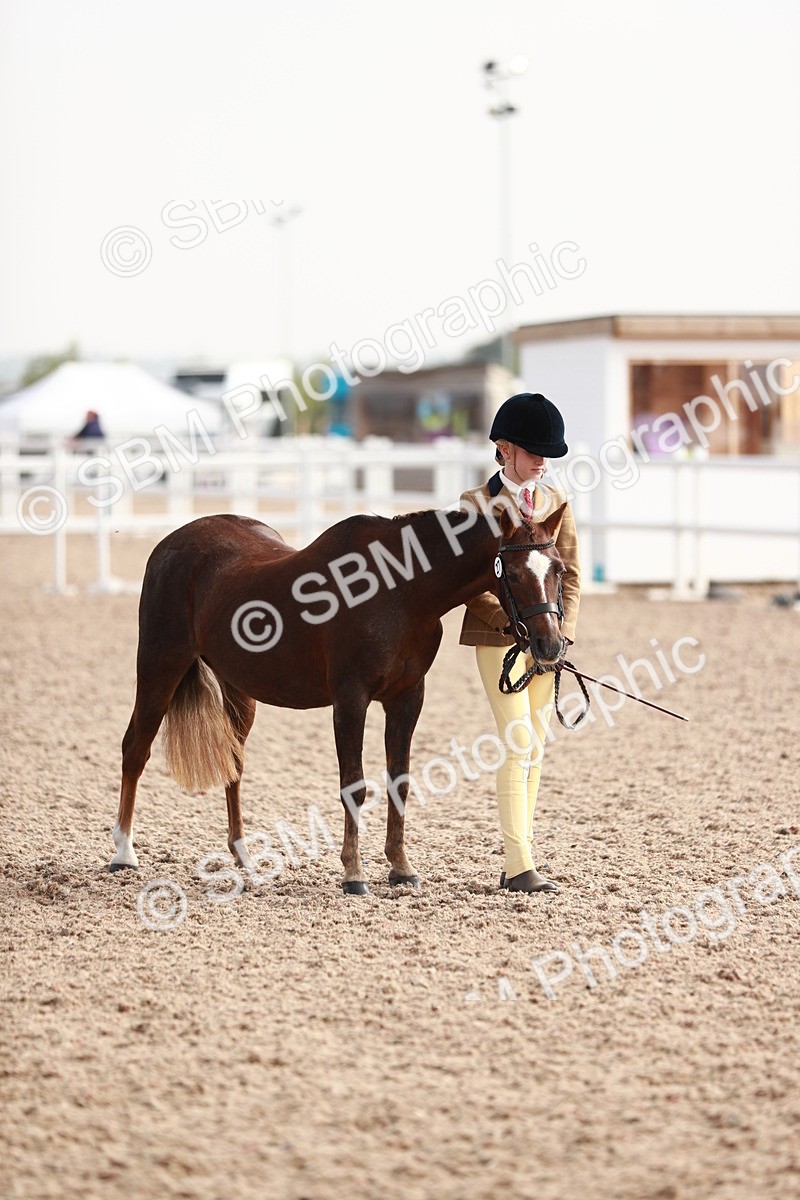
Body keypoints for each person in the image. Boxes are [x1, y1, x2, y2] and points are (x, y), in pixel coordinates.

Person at [459, 392, 580, 894]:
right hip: (498, 638)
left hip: (546, 639)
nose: (543, 462)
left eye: (546, 454)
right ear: (505, 449)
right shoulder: (476, 506)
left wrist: (562, 632)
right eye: (534, 453)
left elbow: (568, 575)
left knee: (539, 744)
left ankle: (520, 855)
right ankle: (519, 863)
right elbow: (469, 585)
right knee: (518, 741)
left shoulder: (556, 503)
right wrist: (517, 629)